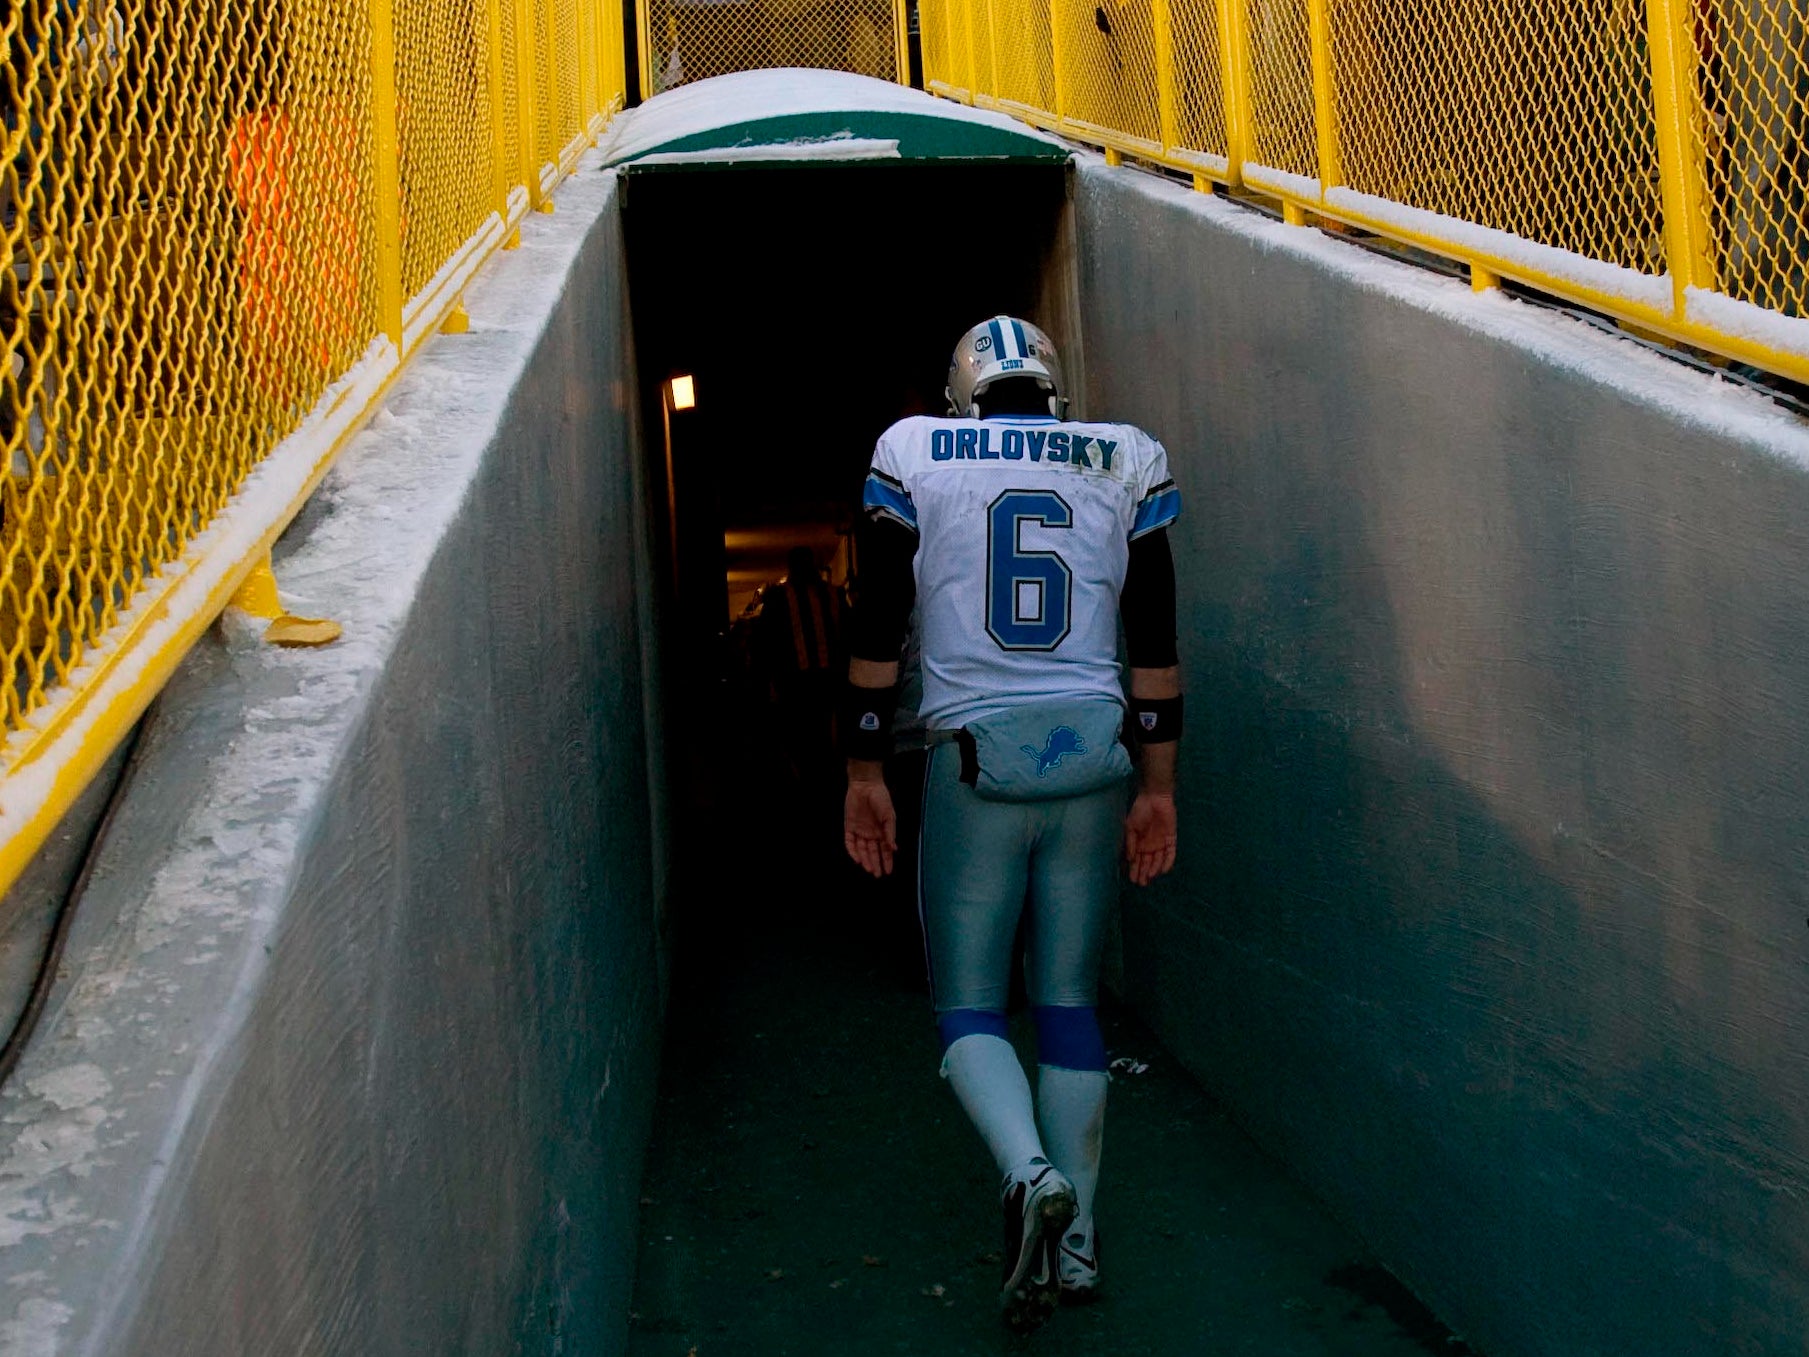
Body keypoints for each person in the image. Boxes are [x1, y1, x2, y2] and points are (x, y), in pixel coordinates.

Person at [840, 316, 1182, 1330]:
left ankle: (1032, 1175)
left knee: (969, 1006)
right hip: (1094, 752)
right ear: (1053, 386)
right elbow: (1155, 644)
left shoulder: (914, 450)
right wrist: (1160, 785)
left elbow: (874, 625)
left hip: (974, 759)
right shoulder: (1126, 456)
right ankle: (1076, 1253)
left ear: (963, 392)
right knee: (1069, 997)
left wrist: (862, 765)